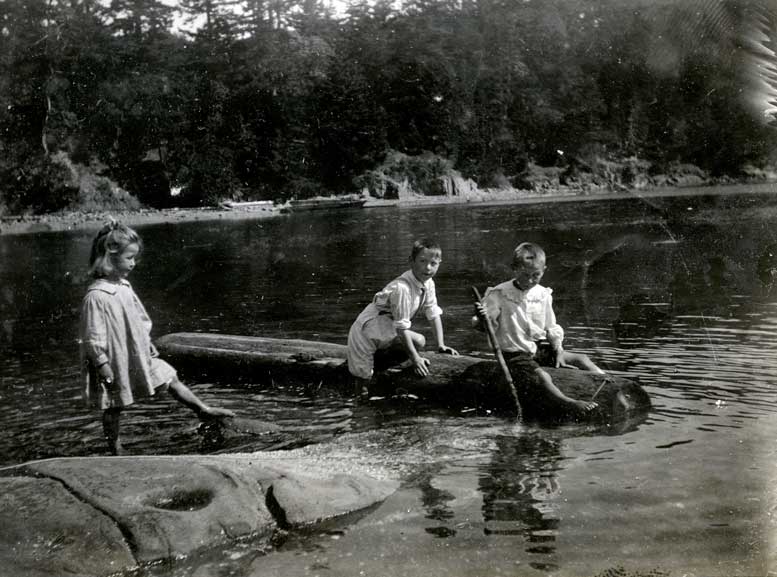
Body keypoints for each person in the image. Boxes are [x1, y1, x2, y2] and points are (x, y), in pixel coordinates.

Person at [79, 220, 235, 455]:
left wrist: (147, 340)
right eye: (129, 258)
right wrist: (102, 364)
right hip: (114, 360)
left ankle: (202, 410)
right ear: (109, 257)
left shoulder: (124, 286)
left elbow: (139, 318)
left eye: (134, 257)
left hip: (136, 354)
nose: (133, 263)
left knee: (169, 377)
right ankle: (116, 447)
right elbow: (92, 335)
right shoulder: (97, 296)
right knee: (114, 404)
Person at [473, 242, 604, 414]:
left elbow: (551, 326)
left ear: (544, 270)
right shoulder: (499, 293)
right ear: (514, 269)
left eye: (536, 275)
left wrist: (558, 349)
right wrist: (482, 317)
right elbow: (485, 327)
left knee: (581, 358)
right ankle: (568, 402)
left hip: (538, 349)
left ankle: (610, 382)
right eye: (525, 275)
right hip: (514, 354)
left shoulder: (543, 294)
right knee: (542, 376)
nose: (530, 281)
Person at [347, 238, 459, 393]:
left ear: (439, 264)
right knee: (363, 382)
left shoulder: (428, 283)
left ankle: (381, 366)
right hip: (367, 333)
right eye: (422, 261)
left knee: (419, 341)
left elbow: (433, 312)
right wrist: (415, 359)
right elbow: (401, 328)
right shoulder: (402, 289)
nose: (428, 268)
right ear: (411, 261)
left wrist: (441, 345)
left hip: (387, 329)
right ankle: (361, 397)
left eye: (433, 263)